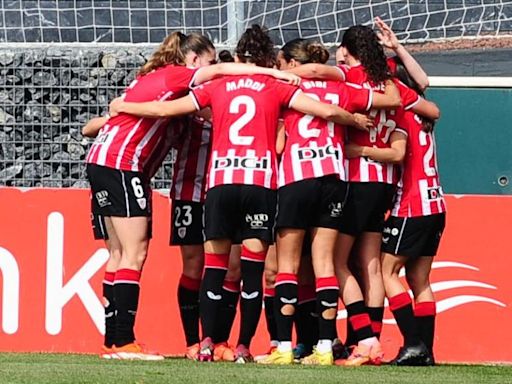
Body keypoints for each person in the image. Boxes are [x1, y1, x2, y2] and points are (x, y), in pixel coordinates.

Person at [108, 24, 374, 363]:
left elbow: (165, 110)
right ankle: (246, 345)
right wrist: (351, 119)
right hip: (260, 183)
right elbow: (323, 111)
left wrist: (125, 105)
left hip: (220, 183)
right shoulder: (276, 86)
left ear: (237, 57)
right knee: (255, 270)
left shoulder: (217, 86)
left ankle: (206, 343)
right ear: (268, 59)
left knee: (214, 268)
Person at [85, 30, 303, 360]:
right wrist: (271, 73)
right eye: (211, 60)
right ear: (194, 59)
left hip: (113, 164)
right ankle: (128, 342)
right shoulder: (179, 77)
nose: (216, 67)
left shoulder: (164, 87)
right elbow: (216, 74)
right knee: (138, 253)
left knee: (121, 254)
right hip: (133, 169)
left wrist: (121, 108)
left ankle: (116, 341)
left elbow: (98, 126)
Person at [256, 38, 400, 366]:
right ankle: (324, 346)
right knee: (325, 266)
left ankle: (281, 347)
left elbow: (278, 144)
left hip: (297, 179)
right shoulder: (344, 90)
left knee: (288, 267)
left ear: (293, 64)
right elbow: (392, 99)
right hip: (334, 180)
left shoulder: (284, 88)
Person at [333, 24, 441, 367]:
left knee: (380, 268)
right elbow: (430, 101)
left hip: (410, 200)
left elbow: (395, 153)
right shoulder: (418, 111)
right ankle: (424, 349)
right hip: (432, 200)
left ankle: (404, 342)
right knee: (416, 278)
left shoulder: (399, 111)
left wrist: (356, 149)